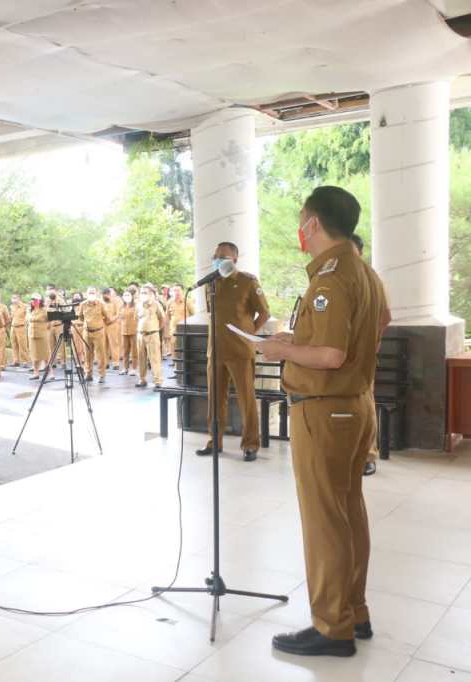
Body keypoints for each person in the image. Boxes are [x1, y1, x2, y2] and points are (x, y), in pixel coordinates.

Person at [257, 186, 383, 657]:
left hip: (325, 410)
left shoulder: (330, 278)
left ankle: (332, 627)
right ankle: (355, 610)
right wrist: (300, 340)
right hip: (354, 404)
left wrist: (281, 350)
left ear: (312, 224)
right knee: (348, 511)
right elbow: (369, 328)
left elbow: (330, 355)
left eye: (302, 222)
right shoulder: (364, 271)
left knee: (325, 520)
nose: (301, 231)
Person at [194, 242, 270, 463]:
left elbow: (264, 313)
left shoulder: (247, 282)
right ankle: (214, 441)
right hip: (216, 351)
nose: (218, 259)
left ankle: (250, 444)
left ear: (235, 260)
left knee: (247, 400)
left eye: (223, 256)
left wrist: (249, 335)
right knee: (215, 400)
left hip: (240, 351)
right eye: (216, 255)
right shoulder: (212, 283)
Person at [351, 233, 391, 476]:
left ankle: (368, 455)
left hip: (361, 356)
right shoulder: (332, 276)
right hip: (334, 355)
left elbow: (385, 317)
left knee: (365, 403)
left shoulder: (371, 277)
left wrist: (372, 342)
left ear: (361, 252)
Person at [79, 287, 111, 383]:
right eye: (90, 293)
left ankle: (102, 375)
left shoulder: (101, 304)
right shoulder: (83, 304)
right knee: (87, 354)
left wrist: (99, 324)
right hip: (87, 332)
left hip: (98, 332)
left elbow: (107, 317)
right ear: (86, 294)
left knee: (100, 355)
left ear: (96, 294)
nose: (91, 295)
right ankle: (88, 374)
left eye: (93, 293)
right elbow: (80, 317)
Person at [135, 285, 165, 388]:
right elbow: (136, 319)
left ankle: (158, 381)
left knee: (154, 358)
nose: (143, 294)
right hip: (140, 335)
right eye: (142, 292)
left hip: (152, 334)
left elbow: (162, 319)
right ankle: (142, 379)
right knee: (141, 358)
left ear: (151, 294)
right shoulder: (138, 305)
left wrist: (156, 329)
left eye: (145, 292)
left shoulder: (156, 304)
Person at [164, 284, 195, 359]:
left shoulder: (187, 301)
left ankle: (185, 364)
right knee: (174, 349)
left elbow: (194, 315)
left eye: (178, 290)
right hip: (174, 330)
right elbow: (167, 317)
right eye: (174, 290)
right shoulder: (169, 302)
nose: (176, 292)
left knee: (185, 349)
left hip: (185, 330)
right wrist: (166, 332)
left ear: (182, 291)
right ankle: (175, 364)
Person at [27, 294, 49, 380]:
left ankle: (50, 373)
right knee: (34, 355)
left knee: (45, 354)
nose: (33, 301)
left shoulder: (44, 310)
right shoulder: (30, 310)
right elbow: (27, 320)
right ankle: (36, 373)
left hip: (42, 335)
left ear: (40, 301)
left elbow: (49, 321)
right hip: (32, 335)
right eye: (32, 300)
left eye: (35, 300)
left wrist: (45, 329)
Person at [119, 288, 139, 375]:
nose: (126, 297)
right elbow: (120, 317)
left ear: (132, 296)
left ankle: (134, 368)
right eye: (125, 295)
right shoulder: (122, 307)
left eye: (128, 295)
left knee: (134, 351)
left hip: (134, 331)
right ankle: (125, 368)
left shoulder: (136, 306)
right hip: (124, 331)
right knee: (125, 351)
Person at [102, 288, 121, 370]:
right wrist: (103, 319)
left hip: (113, 325)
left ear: (110, 294)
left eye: (107, 294)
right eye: (104, 294)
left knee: (114, 344)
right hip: (103, 325)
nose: (106, 296)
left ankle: (116, 363)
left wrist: (111, 320)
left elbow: (118, 313)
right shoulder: (101, 303)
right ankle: (105, 362)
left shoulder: (115, 302)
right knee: (104, 344)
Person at [9, 294, 30, 368]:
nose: (13, 299)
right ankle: (16, 361)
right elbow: (11, 317)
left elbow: (28, 317)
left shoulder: (24, 306)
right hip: (13, 327)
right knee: (14, 345)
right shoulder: (12, 307)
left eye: (15, 298)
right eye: (12, 298)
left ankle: (25, 361)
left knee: (22, 345)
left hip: (21, 327)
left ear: (19, 298)